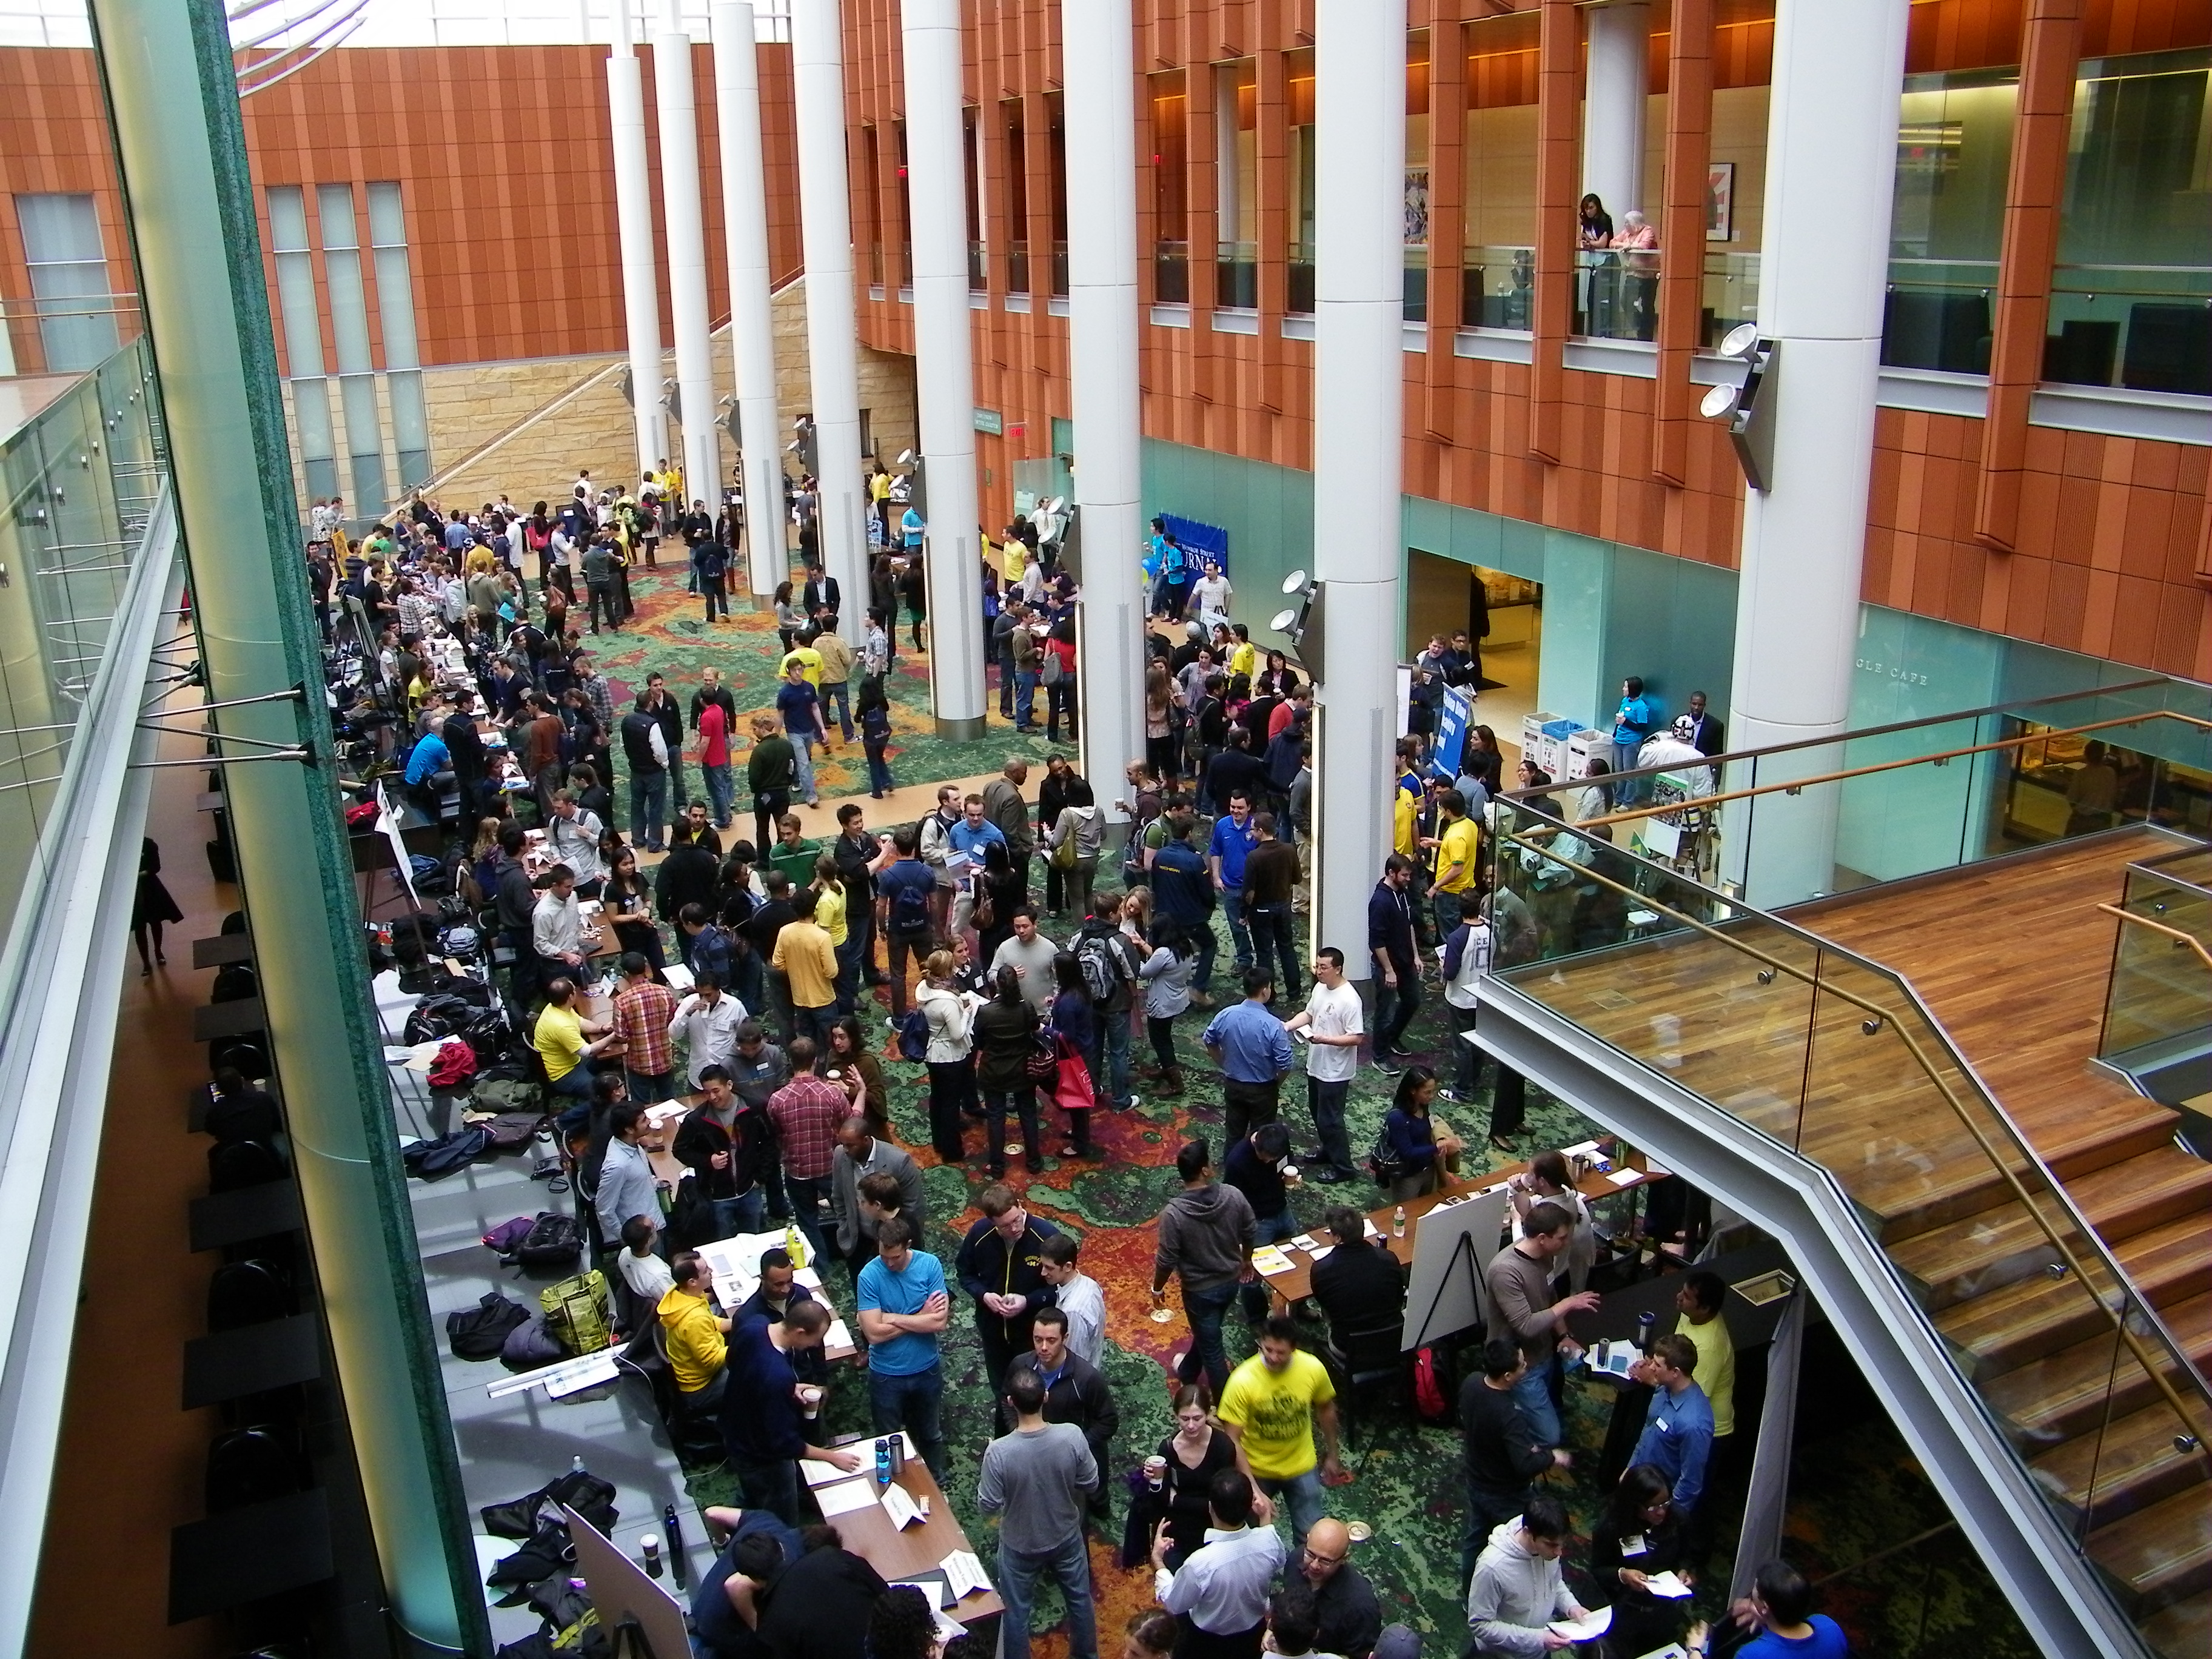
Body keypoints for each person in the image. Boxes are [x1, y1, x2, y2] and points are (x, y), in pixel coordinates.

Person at [980, 1364, 1101, 1659]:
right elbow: (1091, 1482)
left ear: (1010, 1402)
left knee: (1016, 1614)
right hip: (1066, 1535)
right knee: (1080, 1601)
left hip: (1019, 1544)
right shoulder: (1072, 1436)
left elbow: (988, 1506)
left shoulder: (999, 1452)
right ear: (1045, 1397)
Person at [720, 1300, 857, 1523]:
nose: (815, 1345)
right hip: (761, 1456)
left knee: (752, 1491)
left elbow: (734, 1362)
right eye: (815, 1339)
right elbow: (785, 1444)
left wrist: (788, 1390)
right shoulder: (778, 1375)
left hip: (734, 1431)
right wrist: (832, 1457)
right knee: (779, 1518)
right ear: (800, 1332)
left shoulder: (755, 1325)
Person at [1216, 1316, 1341, 1552]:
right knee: (1248, 1539)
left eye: (1281, 1352)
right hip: (1256, 1468)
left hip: (1301, 1464)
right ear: (1260, 1343)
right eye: (1268, 1350)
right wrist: (1253, 1489)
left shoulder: (1312, 1368)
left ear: (1294, 1349)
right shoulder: (1242, 1381)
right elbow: (1232, 1439)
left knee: (1310, 1540)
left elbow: (1326, 1407)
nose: (1273, 1357)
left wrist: (1333, 1454)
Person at [1484, 1201, 1600, 1447]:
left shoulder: (1546, 1256)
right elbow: (1526, 1325)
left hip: (1544, 1353)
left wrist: (1564, 1334)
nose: (1567, 1243)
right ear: (1543, 1238)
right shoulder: (1505, 1272)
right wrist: (1569, 1303)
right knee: (1550, 1436)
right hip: (1519, 1366)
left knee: (1549, 1410)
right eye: (1563, 1238)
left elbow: (1549, 1298)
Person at [1458, 1336, 1569, 1589]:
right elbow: (1525, 1465)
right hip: (1504, 1492)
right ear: (1508, 1375)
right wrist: (1551, 1456)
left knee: (1476, 1537)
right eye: (1521, 1364)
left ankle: (1469, 1592)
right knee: (1521, 1544)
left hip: (1476, 1477)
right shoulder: (1509, 1416)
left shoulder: (1472, 1382)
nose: (1526, 1365)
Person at [1152, 1139, 1258, 1399]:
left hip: (1200, 1293)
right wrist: (1246, 1260)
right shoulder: (1233, 1195)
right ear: (1206, 1170)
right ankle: (1188, 1370)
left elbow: (1167, 1259)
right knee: (1207, 1334)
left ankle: (1227, 1407)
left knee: (1213, 1352)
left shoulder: (1173, 1215)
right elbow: (1250, 1229)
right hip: (1230, 1281)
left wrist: (1157, 1288)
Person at [1151, 1469, 1285, 1659]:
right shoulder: (1269, 1542)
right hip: (1253, 1638)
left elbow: (1175, 1603)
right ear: (1250, 1507)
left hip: (1204, 1644)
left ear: (1211, 1507)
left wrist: (1158, 1561)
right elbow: (1278, 1559)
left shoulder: (1200, 1563)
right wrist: (1265, 1518)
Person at [853, 1216, 950, 1478]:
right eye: (884, 1256)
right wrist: (921, 1316)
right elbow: (872, 1334)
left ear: (908, 1245)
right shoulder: (869, 1276)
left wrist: (892, 1317)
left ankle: (936, 1477)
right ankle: (896, 1482)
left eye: (895, 1257)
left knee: (931, 1433)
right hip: (886, 1374)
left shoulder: (929, 1265)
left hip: (926, 1369)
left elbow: (939, 1322)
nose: (890, 1263)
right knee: (889, 1437)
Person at [1008, 1306, 1121, 1521]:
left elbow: (1108, 1421)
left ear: (1065, 1338)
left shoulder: (1086, 1378)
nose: (1043, 1347)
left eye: (1051, 1340)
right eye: (1037, 1339)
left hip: (1077, 1459)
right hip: (1035, 1452)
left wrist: (1075, 1445)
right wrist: (1018, 1430)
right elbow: (1007, 1399)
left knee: (1085, 1508)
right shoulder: (1020, 1366)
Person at [956, 1184, 1062, 1396]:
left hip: (1032, 1335)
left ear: (1020, 1205)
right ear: (992, 1222)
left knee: (1033, 1392)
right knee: (1002, 1391)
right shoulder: (979, 1234)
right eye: (1005, 1226)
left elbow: (1060, 1289)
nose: (1014, 1229)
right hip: (993, 1332)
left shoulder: (1047, 1237)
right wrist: (983, 1295)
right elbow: (964, 1273)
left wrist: (1028, 1301)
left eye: (1016, 1220)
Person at [1464, 1495, 1589, 1659]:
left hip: (1540, 1649)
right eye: (1552, 1545)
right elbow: (1480, 1624)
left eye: (1562, 1544)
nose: (1559, 1553)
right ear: (1528, 1533)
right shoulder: (1492, 1567)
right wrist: (1538, 1639)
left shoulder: (1548, 1549)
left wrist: (1572, 1607)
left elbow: (1554, 1581)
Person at [1588, 1465, 1693, 1658]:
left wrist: (1684, 1571)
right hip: (1625, 1611)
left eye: (1666, 1503)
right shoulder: (1611, 1526)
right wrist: (1622, 1574)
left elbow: (1686, 1555)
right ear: (1636, 1503)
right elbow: (1597, 1570)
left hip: (1662, 1610)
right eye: (1654, 1507)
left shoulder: (1678, 1519)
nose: (1661, 1512)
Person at [1281, 948, 1362, 1182]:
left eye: (1324, 967)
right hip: (1317, 1064)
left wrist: (1324, 1039)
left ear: (1338, 969)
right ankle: (1329, 1151)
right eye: (1317, 966)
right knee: (1319, 1114)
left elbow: (1356, 1037)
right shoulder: (1320, 989)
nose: (1318, 972)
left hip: (1336, 1072)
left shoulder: (1349, 999)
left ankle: (1344, 1168)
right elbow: (1308, 1014)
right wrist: (1288, 1026)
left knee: (1331, 1120)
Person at [764, 1035, 848, 1258]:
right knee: (846, 1215)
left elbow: (777, 1133)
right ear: (816, 1060)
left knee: (807, 1221)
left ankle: (819, 1265)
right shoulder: (833, 1094)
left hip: (797, 1171)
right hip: (831, 1167)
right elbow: (848, 1125)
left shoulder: (777, 1100)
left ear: (790, 1061)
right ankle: (851, 1253)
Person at [755, 1527, 892, 1659]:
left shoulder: (772, 1624)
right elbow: (883, 1590)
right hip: (890, 1639)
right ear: (780, 1547)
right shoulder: (829, 1557)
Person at [691, 1507, 802, 1659]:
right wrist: (760, 1630)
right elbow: (735, 1584)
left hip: (699, 1608)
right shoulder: (768, 1522)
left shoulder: (763, 1519)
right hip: (717, 1632)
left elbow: (712, 1513)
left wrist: (722, 1541)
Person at [675, 1064, 770, 1239]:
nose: (712, 1097)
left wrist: (761, 1177)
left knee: (753, 1239)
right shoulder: (697, 1120)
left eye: (716, 1090)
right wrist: (707, 1161)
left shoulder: (754, 1109)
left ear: (730, 1085)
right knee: (722, 1242)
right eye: (707, 1092)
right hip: (718, 1196)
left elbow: (768, 1142)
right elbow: (680, 1150)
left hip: (750, 1189)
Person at [1151, 1385, 1241, 1568]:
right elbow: (1161, 1499)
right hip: (1176, 1531)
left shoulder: (1223, 1447)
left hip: (1213, 1530)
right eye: (1185, 1419)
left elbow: (1223, 1503)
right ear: (1176, 1416)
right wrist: (1155, 1480)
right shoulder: (1168, 1448)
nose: (1191, 1425)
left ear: (1208, 1415)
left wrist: (1176, 1500)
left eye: (1197, 1418)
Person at [1203, 968, 1294, 1145]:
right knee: (1262, 1139)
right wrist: (1276, 1083)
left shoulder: (1226, 1015)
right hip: (1263, 1090)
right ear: (1265, 990)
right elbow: (1285, 1064)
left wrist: (1223, 1063)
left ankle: (1233, 1169)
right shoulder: (1273, 1025)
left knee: (1234, 1136)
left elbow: (1209, 1041)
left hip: (1234, 1085)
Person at [1629, 1332, 1714, 1518]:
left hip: (1657, 1505)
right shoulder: (1663, 1388)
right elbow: (1647, 1433)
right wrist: (1629, 1471)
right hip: (1638, 1483)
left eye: (1657, 1365)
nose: (1650, 1367)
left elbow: (1690, 1482)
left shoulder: (1695, 1423)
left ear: (1675, 1372)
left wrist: (1666, 1518)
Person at [658, 1252, 734, 1460]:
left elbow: (710, 1322)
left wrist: (738, 1323)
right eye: (706, 1271)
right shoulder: (693, 1319)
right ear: (692, 1281)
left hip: (699, 1375)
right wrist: (743, 1345)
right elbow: (710, 1361)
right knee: (753, 1374)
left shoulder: (683, 1296)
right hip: (701, 1388)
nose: (711, 1273)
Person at [974, 964, 1047, 1178]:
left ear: (997, 984)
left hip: (994, 1071)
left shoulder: (986, 1012)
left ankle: (997, 1167)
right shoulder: (1026, 1008)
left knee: (995, 1117)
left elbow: (978, 1042)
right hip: (1023, 1069)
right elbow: (1035, 1030)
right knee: (1028, 1114)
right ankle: (1034, 1162)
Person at [830, 1113, 925, 1274]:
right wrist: (844, 1225)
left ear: (866, 1140)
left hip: (891, 1242)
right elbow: (838, 1196)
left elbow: (914, 1206)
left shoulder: (899, 1161)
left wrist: (898, 1238)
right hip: (856, 1238)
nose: (845, 1150)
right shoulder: (840, 1155)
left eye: (851, 1145)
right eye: (843, 1144)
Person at [1308, 1204, 1404, 1359]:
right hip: (1393, 1339)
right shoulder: (1389, 1258)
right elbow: (1399, 1297)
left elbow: (1325, 1304)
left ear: (1338, 1238)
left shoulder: (1321, 1269)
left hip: (1348, 1347)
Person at [1704, 1560, 1849, 1659]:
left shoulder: (1752, 1655)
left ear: (1765, 1607)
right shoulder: (1829, 1626)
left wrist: (1695, 1651)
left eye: (1755, 1588)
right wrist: (1767, 1619)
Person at [533, 977, 620, 1124]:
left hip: (571, 1061)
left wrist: (602, 1028)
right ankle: (561, 1122)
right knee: (602, 1095)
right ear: (571, 997)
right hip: (564, 1074)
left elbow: (580, 1022)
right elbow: (586, 1051)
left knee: (607, 1057)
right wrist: (613, 1036)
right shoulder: (561, 1026)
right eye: (574, 990)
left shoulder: (555, 1008)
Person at [1296, 1518, 1381, 1659]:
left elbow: (1361, 1656)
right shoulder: (1296, 1559)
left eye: (1326, 1561)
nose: (1314, 1565)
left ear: (1344, 1559)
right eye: (1311, 1554)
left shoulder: (1361, 1608)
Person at [1367, 856, 1421, 1066]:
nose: (1408, 879)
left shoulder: (1402, 893)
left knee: (1412, 1001)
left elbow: (1409, 926)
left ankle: (1392, 1037)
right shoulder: (1380, 901)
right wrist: (1389, 970)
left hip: (1406, 962)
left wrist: (1415, 955)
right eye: (1405, 875)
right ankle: (1379, 1057)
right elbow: (1377, 941)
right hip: (1387, 968)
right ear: (1391, 873)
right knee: (1385, 1013)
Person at [771, 886, 839, 1046]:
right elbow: (832, 972)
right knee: (832, 1042)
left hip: (800, 998)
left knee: (808, 1044)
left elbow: (777, 963)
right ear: (814, 908)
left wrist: (795, 969)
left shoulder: (785, 932)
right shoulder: (822, 937)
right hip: (823, 999)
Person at [609, 952, 680, 1102]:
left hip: (639, 1062)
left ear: (626, 974)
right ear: (645, 968)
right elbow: (671, 1020)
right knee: (669, 1101)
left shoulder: (622, 1001)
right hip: (664, 1057)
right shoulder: (665, 992)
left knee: (640, 1106)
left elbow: (621, 1037)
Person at [1138, 920, 1198, 1095]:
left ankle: (1175, 1083)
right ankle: (1167, 1068)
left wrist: (1135, 957)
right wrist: (1143, 945)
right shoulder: (1184, 947)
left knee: (1159, 1041)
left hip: (1161, 1002)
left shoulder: (1163, 953)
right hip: (1177, 999)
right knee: (1165, 1038)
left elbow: (1144, 973)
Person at [1208, 789, 1260, 976]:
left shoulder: (1256, 828)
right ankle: (1244, 960)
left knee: (1258, 926)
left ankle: (1262, 962)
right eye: (1232, 807)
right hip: (1229, 887)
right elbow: (1215, 851)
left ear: (1249, 808)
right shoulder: (1222, 825)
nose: (1235, 811)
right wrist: (1216, 876)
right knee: (1236, 927)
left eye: (1240, 807)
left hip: (1254, 890)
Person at [669, 972, 749, 1087]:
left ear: (718, 990)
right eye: (700, 995)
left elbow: (745, 1035)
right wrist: (688, 1014)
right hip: (698, 1074)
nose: (704, 999)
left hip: (727, 1073)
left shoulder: (735, 1006)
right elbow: (673, 1035)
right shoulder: (689, 1003)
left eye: (708, 995)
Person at [1039, 1232, 1105, 1366]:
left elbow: (1073, 1360)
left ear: (1068, 1267)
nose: (1043, 1273)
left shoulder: (1072, 1312)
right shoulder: (1089, 1283)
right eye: (1043, 1266)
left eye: (1050, 1268)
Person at [620, 691, 672, 851]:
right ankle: (655, 843)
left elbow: (623, 744)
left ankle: (638, 839)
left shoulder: (626, 721)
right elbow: (660, 752)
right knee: (655, 808)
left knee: (637, 805)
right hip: (653, 772)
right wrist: (664, 764)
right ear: (650, 703)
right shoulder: (652, 724)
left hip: (636, 771)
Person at [991, 906, 1060, 1015]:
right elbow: (992, 973)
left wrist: (1055, 999)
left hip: (1043, 1012)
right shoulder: (1005, 947)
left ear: (1035, 924)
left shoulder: (1050, 948)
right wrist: (1008, 976)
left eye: (1025, 926)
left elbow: (1059, 979)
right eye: (1017, 927)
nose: (1021, 931)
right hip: (1013, 1012)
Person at [132, 837, 183, 974]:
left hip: (150, 889)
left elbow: (156, 867)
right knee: (140, 927)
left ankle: (158, 951)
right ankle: (146, 963)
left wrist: (139, 874)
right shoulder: (136, 845)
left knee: (155, 922)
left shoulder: (149, 845)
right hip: (136, 891)